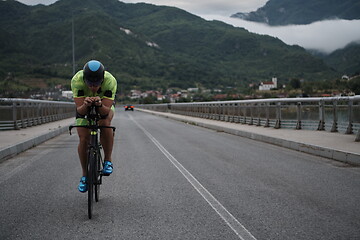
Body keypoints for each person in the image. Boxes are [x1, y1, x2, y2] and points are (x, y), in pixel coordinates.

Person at [71, 60, 117, 193]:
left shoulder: (110, 81)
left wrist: (99, 104)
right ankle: (85, 175)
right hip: (83, 105)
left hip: (103, 105)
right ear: (84, 79)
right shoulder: (77, 80)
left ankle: (108, 160)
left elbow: (105, 112)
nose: (93, 87)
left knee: (105, 123)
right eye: (89, 83)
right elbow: (80, 111)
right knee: (84, 138)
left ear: (102, 80)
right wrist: (86, 104)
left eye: (96, 84)